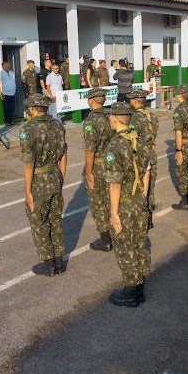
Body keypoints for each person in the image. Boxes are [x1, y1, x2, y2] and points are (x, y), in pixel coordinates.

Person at [104, 102, 151, 307]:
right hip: (139, 200)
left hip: (123, 202)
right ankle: (139, 288)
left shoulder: (115, 145)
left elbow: (115, 184)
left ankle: (131, 293)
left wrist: (114, 213)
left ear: (114, 118)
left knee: (125, 246)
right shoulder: (139, 139)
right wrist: (144, 197)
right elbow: (147, 171)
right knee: (139, 242)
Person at [20, 93, 67, 276]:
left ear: (32, 109)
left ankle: (48, 264)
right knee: (56, 220)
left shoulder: (28, 130)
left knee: (40, 221)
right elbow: (63, 155)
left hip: (39, 181)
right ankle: (59, 261)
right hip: (55, 176)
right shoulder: (58, 125)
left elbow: (28, 163)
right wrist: (60, 177)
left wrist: (27, 192)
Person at [82, 88, 113, 252]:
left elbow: (89, 150)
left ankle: (105, 239)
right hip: (112, 164)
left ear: (91, 101)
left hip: (98, 166)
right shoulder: (111, 115)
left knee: (98, 203)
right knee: (111, 200)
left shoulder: (91, 120)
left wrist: (88, 172)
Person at [128, 88, 159, 228]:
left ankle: (142, 219)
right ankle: (149, 218)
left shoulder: (135, 118)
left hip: (140, 156)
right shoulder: (151, 115)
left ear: (135, 101)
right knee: (150, 187)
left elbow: (133, 138)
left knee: (140, 188)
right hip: (151, 154)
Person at [0, 61, 16, 125]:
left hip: (12, 93)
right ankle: (6, 121)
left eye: (8, 65)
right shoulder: (0, 73)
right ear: (3, 66)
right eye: (6, 65)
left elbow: (13, 81)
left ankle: (11, 120)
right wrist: (0, 93)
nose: (8, 67)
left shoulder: (12, 72)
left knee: (11, 108)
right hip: (5, 94)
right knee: (6, 108)